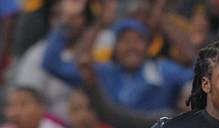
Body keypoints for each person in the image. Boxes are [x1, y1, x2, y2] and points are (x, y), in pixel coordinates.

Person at [42, 17, 193, 112]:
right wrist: (65, 25)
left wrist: (164, 23)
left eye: (138, 40)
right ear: (114, 47)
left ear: (147, 47)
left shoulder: (163, 70)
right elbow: (52, 64)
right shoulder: (104, 71)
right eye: (124, 40)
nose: (131, 46)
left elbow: (201, 70)